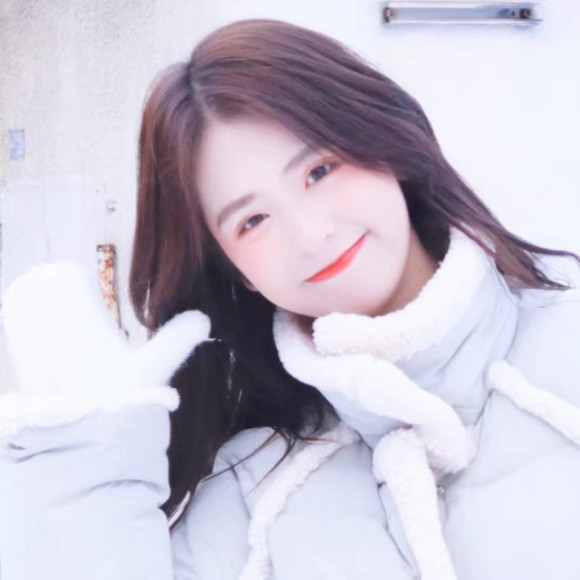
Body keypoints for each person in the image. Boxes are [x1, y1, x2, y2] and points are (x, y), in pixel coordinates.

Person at [0, 18, 579, 580]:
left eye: (319, 170)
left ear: (384, 140)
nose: (311, 233)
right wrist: (89, 478)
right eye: (252, 221)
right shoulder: (252, 496)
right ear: (237, 271)